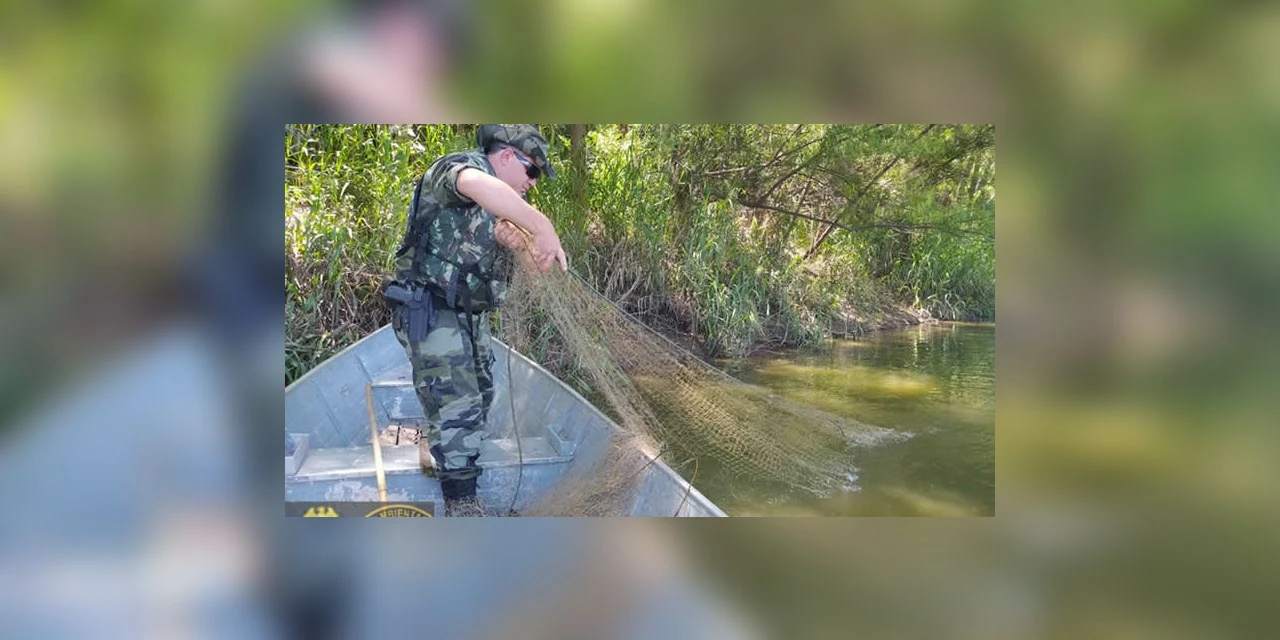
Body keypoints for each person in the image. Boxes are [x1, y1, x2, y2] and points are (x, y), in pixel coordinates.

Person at [386, 124, 567, 517]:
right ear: (506, 156)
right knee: (458, 404)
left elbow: (533, 270)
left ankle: (449, 457)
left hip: (472, 317)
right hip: (433, 311)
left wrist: (520, 246)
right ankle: (462, 503)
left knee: (482, 394)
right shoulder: (460, 169)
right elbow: (472, 183)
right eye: (531, 170)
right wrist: (542, 224)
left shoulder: (506, 207)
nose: (532, 183)